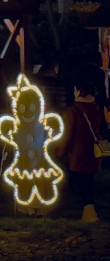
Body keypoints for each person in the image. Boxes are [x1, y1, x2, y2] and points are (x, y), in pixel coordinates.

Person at [57, 79, 106, 222]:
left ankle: (90, 212)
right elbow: (103, 130)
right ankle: (89, 210)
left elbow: (68, 134)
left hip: (79, 154)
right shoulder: (98, 109)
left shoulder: (74, 111)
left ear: (79, 92)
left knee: (79, 181)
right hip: (94, 152)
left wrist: (61, 151)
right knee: (88, 180)